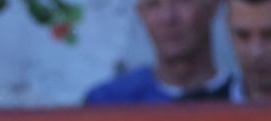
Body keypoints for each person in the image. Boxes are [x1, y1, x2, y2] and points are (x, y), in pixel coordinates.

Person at [83, 0, 228, 102]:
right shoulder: (109, 102)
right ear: (140, 12)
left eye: (182, 1)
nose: (168, 17)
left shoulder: (240, 96)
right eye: (153, 4)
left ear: (214, 5)